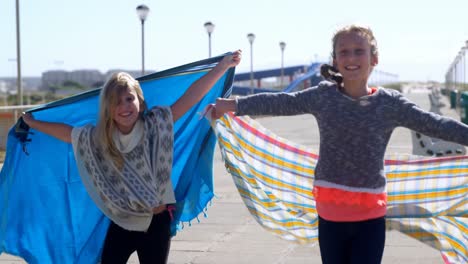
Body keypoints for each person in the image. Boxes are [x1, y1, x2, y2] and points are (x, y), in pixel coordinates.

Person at [210, 25, 468, 264]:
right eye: (344, 52)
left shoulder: (390, 103)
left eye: (359, 51)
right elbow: (282, 102)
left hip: (370, 211)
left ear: (374, 59)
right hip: (330, 211)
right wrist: (235, 105)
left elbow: (434, 123)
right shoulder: (324, 96)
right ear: (335, 60)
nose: (351, 58)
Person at [21, 50, 241, 264]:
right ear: (108, 109)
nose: (124, 107)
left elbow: (192, 96)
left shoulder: (156, 124)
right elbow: (68, 134)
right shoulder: (101, 138)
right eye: (116, 102)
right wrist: (33, 123)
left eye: (129, 99)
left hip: (157, 221)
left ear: (140, 102)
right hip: (123, 221)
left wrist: (222, 67)